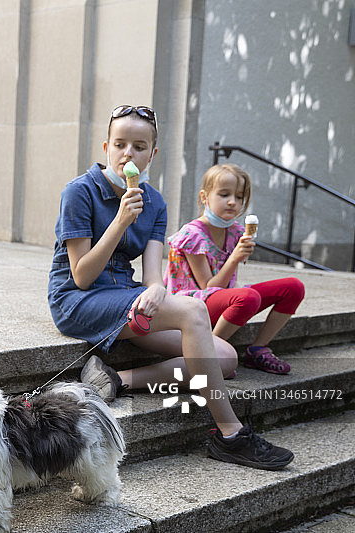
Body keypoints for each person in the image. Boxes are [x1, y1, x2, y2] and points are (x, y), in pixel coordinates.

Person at [47, 105, 294, 470]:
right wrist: (120, 221)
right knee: (194, 311)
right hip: (78, 301)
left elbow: (151, 272)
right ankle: (231, 434)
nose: (128, 153)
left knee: (224, 355)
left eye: (139, 146)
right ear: (106, 147)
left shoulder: (156, 202)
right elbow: (81, 275)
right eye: (120, 144)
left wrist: (158, 289)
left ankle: (117, 379)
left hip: (126, 297)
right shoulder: (80, 192)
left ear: (152, 153)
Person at [164, 164, 305, 374]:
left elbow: (224, 289)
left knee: (293, 287)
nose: (233, 202)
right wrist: (235, 258)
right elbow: (208, 287)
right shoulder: (192, 235)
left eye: (239, 197)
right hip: (190, 304)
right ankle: (208, 356)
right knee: (247, 297)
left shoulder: (235, 231)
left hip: (221, 301)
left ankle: (257, 349)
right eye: (224, 194)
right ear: (204, 197)